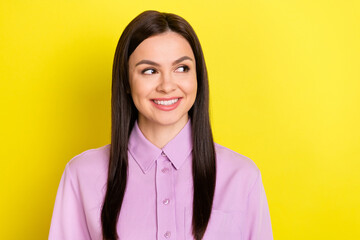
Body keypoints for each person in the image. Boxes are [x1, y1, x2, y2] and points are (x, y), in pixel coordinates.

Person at [49, 10, 273, 240]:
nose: (167, 85)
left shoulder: (242, 177)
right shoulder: (81, 175)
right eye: (150, 71)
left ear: (198, 76)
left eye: (181, 68)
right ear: (126, 81)